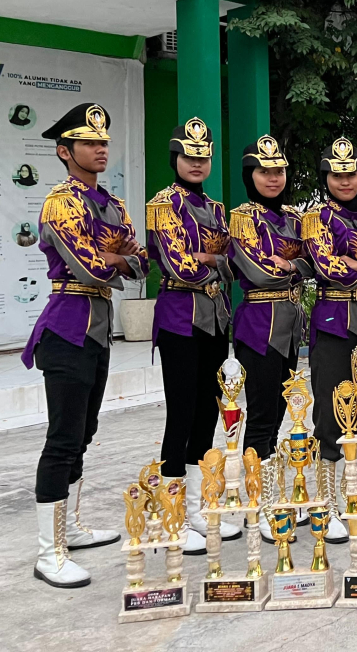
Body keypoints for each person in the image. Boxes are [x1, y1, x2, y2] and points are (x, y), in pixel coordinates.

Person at [23, 103, 145, 588]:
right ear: (63, 150)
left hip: (97, 326)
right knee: (63, 438)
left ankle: (68, 528)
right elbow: (90, 268)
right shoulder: (60, 201)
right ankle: (47, 552)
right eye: (88, 142)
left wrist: (114, 255)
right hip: (67, 326)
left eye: (103, 142)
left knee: (85, 431)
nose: (99, 148)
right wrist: (115, 255)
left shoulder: (110, 203)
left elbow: (139, 264)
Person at [146, 117, 238, 556]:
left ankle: (197, 505)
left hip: (215, 319)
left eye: (203, 157)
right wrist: (213, 258)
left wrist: (212, 257)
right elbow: (178, 263)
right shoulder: (163, 204)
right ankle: (170, 514)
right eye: (189, 156)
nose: (197, 163)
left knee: (207, 411)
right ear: (175, 159)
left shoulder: (217, 209)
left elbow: (229, 259)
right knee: (180, 412)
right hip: (181, 317)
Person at [229, 135, 313, 539]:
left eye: (279, 170)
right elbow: (261, 271)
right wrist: (295, 265)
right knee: (261, 415)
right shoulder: (241, 217)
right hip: (259, 326)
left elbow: (315, 262)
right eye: (264, 171)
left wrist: (293, 262)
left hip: (290, 327)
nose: (274, 177)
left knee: (282, 415)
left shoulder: (296, 218)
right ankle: (257, 505)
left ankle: (275, 494)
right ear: (251, 175)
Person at [302, 136, 357, 540]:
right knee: (331, 413)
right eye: (337, 174)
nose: (346, 180)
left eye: (351, 173)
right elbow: (328, 266)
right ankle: (325, 505)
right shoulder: (315, 219)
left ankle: (349, 497)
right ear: (326, 178)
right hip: (334, 322)